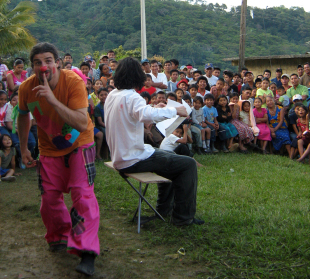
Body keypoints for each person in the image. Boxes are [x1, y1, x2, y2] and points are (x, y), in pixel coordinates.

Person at [17, 42, 100, 276]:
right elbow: (23, 117)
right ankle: (60, 236)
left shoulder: (73, 81)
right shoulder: (26, 88)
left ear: (57, 63)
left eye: (48, 61)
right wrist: (24, 148)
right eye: (37, 62)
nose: (43, 66)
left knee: (82, 193)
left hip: (80, 143)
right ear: (32, 67)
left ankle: (87, 250)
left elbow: (82, 122)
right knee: (49, 199)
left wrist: (52, 99)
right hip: (49, 148)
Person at [104, 57, 204, 226]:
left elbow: (138, 113)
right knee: (188, 165)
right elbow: (144, 114)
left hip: (121, 158)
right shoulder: (131, 96)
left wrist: (156, 108)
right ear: (137, 76)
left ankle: (164, 209)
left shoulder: (113, 95)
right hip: (133, 159)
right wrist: (175, 110)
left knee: (168, 157)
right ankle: (183, 218)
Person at [5, 91, 36, 169]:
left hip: (25, 129)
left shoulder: (27, 109)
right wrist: (17, 130)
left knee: (32, 142)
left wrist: (25, 131)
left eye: (18, 99)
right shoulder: (10, 110)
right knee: (16, 143)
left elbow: (31, 122)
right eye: (14, 100)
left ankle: (28, 156)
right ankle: (21, 158)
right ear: (10, 102)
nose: (16, 101)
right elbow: (9, 124)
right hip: (14, 130)